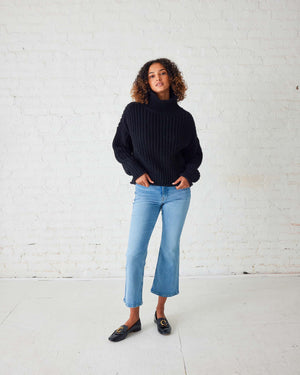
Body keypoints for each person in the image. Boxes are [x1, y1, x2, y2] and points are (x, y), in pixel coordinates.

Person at [108, 58, 203, 342]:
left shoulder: (184, 118)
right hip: (147, 193)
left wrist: (188, 175)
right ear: (145, 82)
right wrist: (137, 172)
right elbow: (119, 147)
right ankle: (133, 317)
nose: (158, 78)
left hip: (177, 193)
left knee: (169, 251)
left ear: (172, 78)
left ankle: (160, 311)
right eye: (152, 75)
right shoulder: (134, 111)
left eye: (162, 73)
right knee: (135, 252)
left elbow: (195, 155)